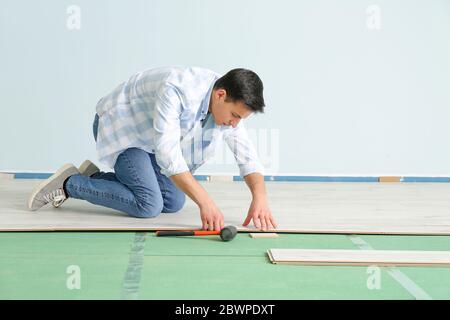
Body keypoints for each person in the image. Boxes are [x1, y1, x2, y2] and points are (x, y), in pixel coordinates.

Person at [28, 66, 277, 231]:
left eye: (240, 119)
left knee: (174, 201)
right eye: (234, 115)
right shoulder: (178, 90)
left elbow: (247, 155)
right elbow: (169, 157)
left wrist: (260, 197)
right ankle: (69, 183)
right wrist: (206, 202)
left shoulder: (226, 106)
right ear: (221, 95)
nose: (235, 123)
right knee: (148, 205)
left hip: (151, 142)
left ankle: (94, 178)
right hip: (125, 131)